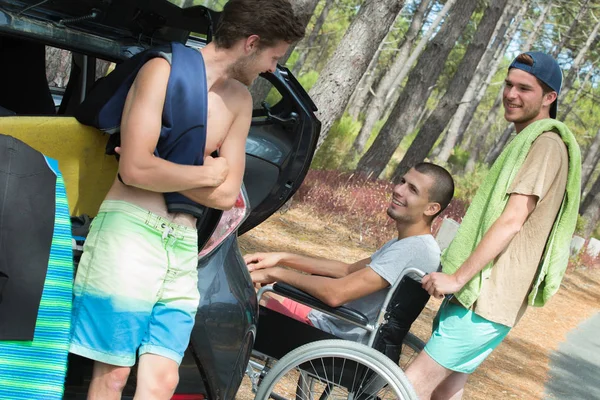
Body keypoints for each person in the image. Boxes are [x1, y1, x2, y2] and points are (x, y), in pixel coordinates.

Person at [68, 1, 306, 399]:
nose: (272, 69)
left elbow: (227, 193)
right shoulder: (160, 71)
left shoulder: (239, 101)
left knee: (164, 380)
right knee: (112, 374)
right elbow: (134, 172)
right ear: (251, 43)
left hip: (181, 246)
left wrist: (162, 169)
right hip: (129, 232)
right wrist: (205, 173)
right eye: (273, 57)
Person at [406, 52, 582, 399]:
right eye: (509, 84)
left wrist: (457, 278)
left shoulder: (545, 145)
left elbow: (513, 219)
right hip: (484, 298)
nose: (511, 94)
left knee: (410, 387)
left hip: (486, 299)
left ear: (549, 98)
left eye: (525, 89)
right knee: (445, 390)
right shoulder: (529, 140)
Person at [245, 163, 455, 343]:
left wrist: (276, 273)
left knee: (237, 299)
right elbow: (346, 271)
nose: (398, 190)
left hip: (333, 335)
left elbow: (336, 294)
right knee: (245, 289)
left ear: (431, 208)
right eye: (402, 181)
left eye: (412, 189)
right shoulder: (411, 244)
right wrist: (282, 258)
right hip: (328, 320)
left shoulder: (414, 249)